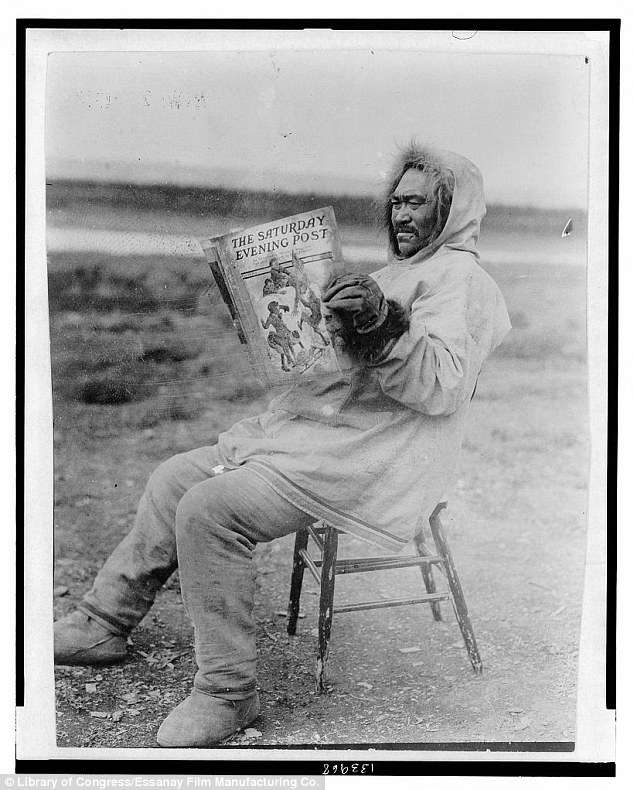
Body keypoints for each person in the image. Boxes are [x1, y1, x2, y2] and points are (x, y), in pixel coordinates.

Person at [54, 144, 511, 748]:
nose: (400, 214)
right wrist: (274, 326)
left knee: (210, 511)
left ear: (453, 211)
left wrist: (383, 322)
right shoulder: (394, 274)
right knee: (173, 478)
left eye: (417, 202)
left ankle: (227, 691)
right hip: (323, 438)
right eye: (395, 200)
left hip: (373, 459)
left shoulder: (466, 283)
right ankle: (104, 621)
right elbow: (333, 370)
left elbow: (441, 389)